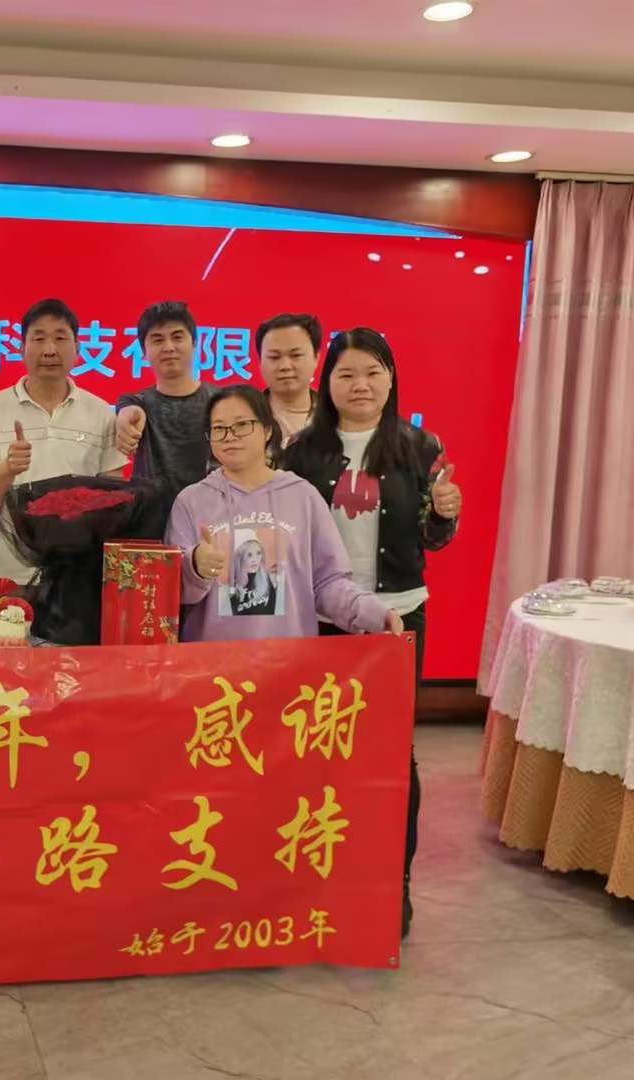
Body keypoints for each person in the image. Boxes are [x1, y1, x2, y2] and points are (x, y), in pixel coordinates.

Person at [283, 326, 461, 938]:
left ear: (390, 379)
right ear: (327, 382)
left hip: (397, 616)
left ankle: (393, 881)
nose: (360, 385)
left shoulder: (420, 446)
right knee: (316, 750)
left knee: (391, 753)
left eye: (373, 372)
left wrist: (445, 516)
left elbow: (432, 539)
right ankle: (316, 873)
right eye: (346, 374)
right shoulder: (302, 451)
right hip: (321, 619)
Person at [166, 384, 403, 644]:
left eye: (242, 425)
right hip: (212, 659)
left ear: (268, 430)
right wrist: (195, 566)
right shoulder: (191, 501)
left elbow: (328, 582)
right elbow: (171, 591)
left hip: (289, 659)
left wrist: (373, 612)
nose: (230, 436)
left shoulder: (303, 496)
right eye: (219, 428)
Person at [0, 298, 128, 587]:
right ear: (21, 347)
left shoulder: (101, 414)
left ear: (78, 348)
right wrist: (8, 468)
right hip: (9, 574)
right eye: (39, 338)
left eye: (60, 338)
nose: (49, 350)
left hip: (79, 575)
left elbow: (113, 499)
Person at [114, 300, 214, 497]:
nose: (169, 347)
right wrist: (127, 418)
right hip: (150, 513)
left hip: (211, 510)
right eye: (158, 340)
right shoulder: (137, 402)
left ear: (194, 344)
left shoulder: (221, 402)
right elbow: (129, 409)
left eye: (177, 337)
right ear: (143, 352)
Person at [257, 313, 323, 448]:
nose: (285, 366)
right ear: (260, 361)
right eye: (274, 357)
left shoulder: (338, 417)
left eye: (296, 355)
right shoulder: (245, 416)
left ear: (316, 358)